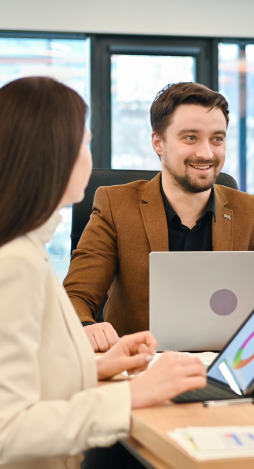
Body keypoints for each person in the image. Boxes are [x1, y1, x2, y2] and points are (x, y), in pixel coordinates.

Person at [0, 76, 206, 468]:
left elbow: (27, 376)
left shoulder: (27, 249)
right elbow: (7, 430)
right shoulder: (15, 263)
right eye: (86, 144)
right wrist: (133, 394)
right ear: (54, 155)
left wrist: (96, 365)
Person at [63, 82, 254, 351]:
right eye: (190, 138)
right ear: (158, 142)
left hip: (229, 369)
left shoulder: (252, 212)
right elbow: (75, 297)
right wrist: (87, 328)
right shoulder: (116, 205)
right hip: (143, 369)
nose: (206, 153)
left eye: (217, 138)